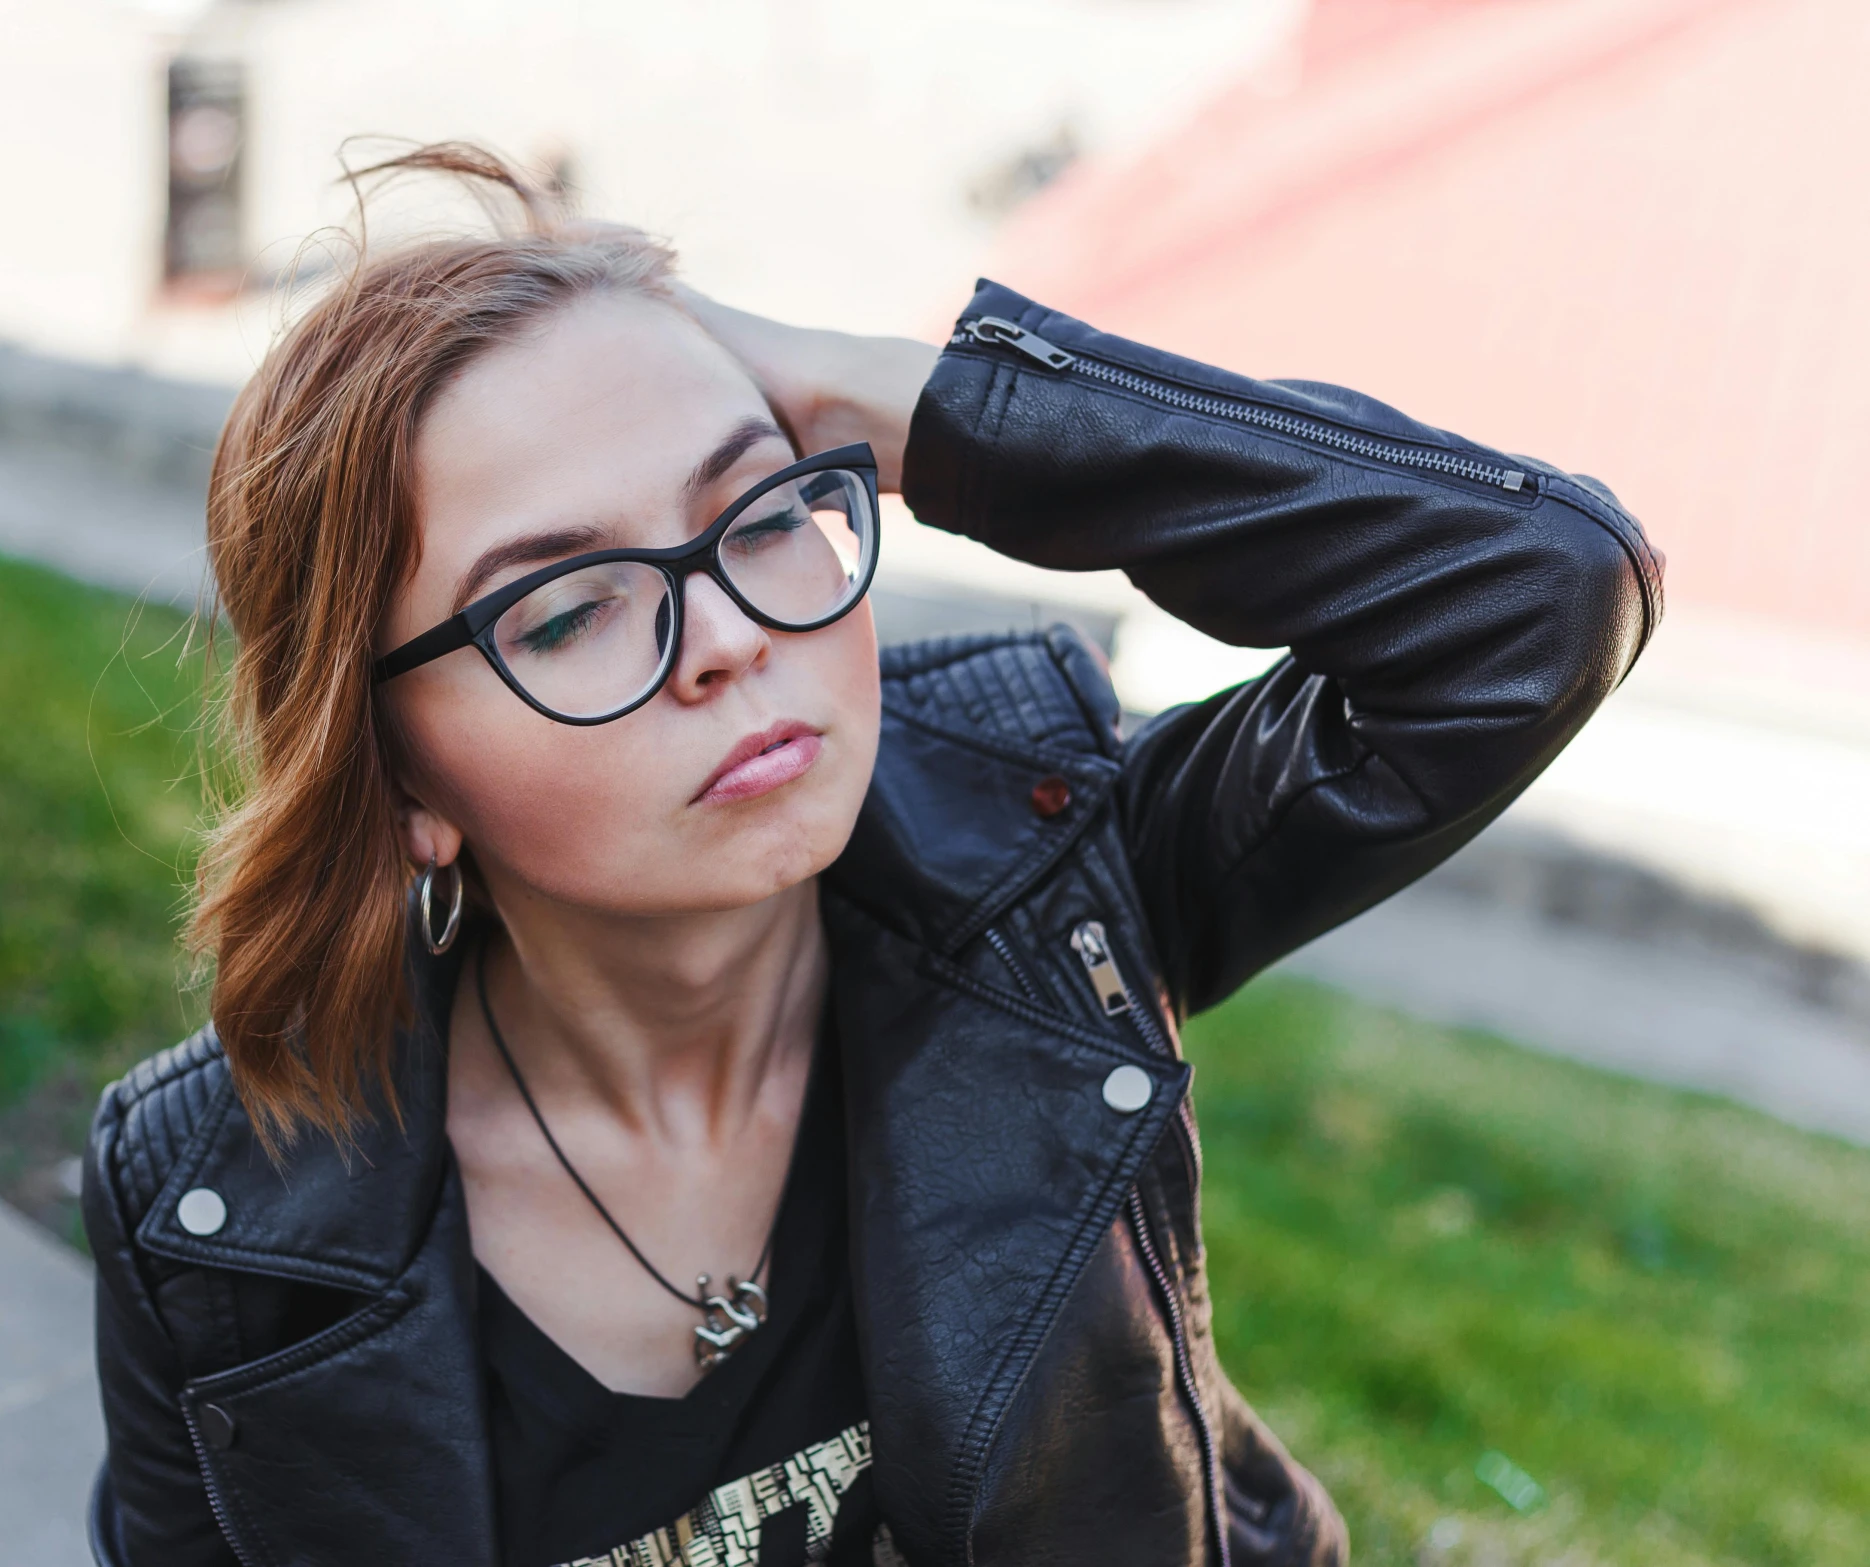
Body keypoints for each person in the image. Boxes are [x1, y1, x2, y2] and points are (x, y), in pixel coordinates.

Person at [82, 144, 1660, 1567]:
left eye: (764, 512)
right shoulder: (216, 1214)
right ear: (396, 777)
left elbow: (1532, 592)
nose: (725, 639)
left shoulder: (1052, 880)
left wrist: (916, 403)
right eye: (565, 611)